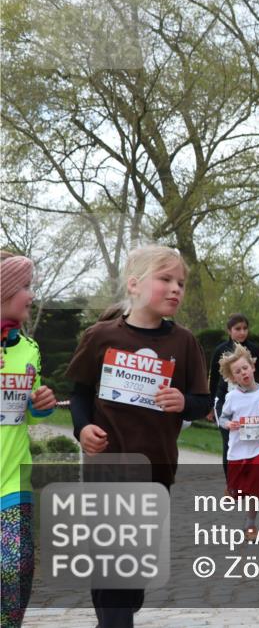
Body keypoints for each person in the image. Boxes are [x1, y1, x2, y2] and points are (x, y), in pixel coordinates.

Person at [66, 245, 211, 628]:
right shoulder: (101, 336)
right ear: (134, 284)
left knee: (133, 582)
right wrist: (82, 429)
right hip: (107, 468)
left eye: (180, 282)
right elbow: (79, 393)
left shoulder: (184, 343)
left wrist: (184, 402)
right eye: (165, 279)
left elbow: (202, 401)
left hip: (157, 472)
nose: (175, 288)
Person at [0, 252, 57, 628]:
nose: (31, 296)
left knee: (16, 568)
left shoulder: (29, 348)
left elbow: (32, 410)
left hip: (13, 479)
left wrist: (43, 404)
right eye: (25, 287)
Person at [217, 343, 259, 537]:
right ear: (233, 377)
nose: (243, 373)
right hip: (237, 451)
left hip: (258, 449)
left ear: (252, 367)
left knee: (255, 491)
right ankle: (231, 489)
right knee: (237, 493)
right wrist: (228, 425)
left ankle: (251, 524)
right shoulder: (231, 397)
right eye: (237, 371)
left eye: (245, 368)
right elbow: (223, 418)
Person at [208, 314, 259, 479]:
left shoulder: (254, 349)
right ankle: (231, 484)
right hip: (224, 402)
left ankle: (247, 481)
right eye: (237, 329)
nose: (242, 332)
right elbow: (213, 379)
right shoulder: (221, 350)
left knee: (249, 443)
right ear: (229, 331)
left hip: (250, 404)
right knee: (229, 442)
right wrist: (208, 406)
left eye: (245, 328)